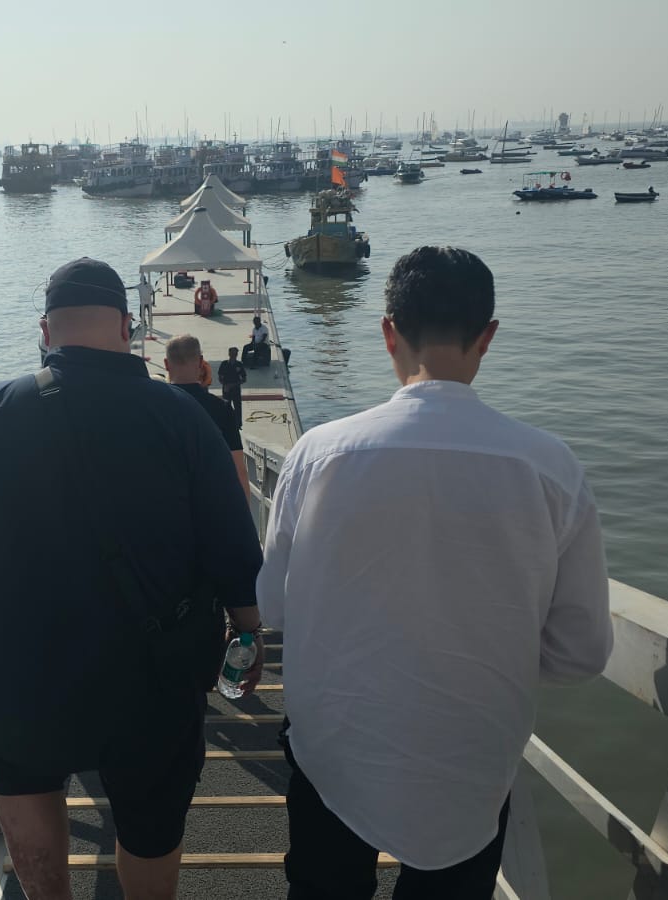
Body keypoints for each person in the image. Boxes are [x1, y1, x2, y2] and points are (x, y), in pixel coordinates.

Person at [0, 257, 264, 900]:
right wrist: (247, 633)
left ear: (45, 331)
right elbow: (233, 547)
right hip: (153, 678)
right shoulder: (183, 417)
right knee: (150, 821)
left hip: (27, 674)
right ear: (126, 326)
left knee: (27, 787)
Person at [258, 246, 613, 900]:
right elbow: (581, 653)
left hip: (334, 742)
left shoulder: (318, 454)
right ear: (488, 336)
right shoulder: (549, 466)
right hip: (472, 754)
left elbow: (276, 608)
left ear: (388, 331)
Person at [165, 334, 249, 502]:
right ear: (201, 362)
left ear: (167, 364)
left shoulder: (154, 406)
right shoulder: (222, 409)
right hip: (212, 505)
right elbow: (238, 469)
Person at [217, 346, 247, 426]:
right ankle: (227, 423)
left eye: (235, 354)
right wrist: (225, 385)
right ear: (229, 354)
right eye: (232, 354)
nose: (234, 355)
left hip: (236, 389)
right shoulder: (224, 364)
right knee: (226, 407)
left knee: (237, 407)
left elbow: (244, 379)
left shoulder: (239, 364)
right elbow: (220, 377)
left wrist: (233, 385)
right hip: (226, 390)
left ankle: (238, 423)